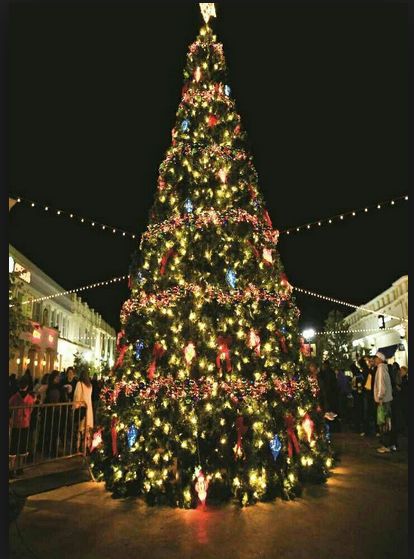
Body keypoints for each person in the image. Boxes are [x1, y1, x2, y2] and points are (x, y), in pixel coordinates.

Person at [9, 377, 36, 478]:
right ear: (27, 386)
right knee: (23, 445)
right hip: (25, 423)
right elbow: (31, 409)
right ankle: (20, 468)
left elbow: (9, 407)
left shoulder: (14, 397)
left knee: (13, 446)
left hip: (16, 424)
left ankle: (11, 469)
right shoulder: (30, 398)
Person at [373, 352, 395, 453]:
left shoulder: (381, 369)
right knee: (388, 422)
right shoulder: (384, 368)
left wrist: (380, 398)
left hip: (383, 401)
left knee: (383, 422)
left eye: (376, 358)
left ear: (380, 359)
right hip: (387, 400)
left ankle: (385, 445)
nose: (374, 360)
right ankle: (390, 444)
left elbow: (381, 385)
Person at [73, 369, 94, 450]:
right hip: (88, 409)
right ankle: (85, 447)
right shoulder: (90, 385)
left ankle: (77, 447)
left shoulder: (79, 384)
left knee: (79, 429)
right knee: (87, 430)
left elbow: (77, 397)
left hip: (81, 408)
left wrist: (74, 407)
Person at [358, 357, 375, 437]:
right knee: (370, 411)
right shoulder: (370, 371)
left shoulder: (365, 371)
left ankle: (366, 430)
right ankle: (373, 430)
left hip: (367, 393)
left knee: (366, 412)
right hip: (370, 393)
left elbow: (366, 383)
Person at [350, 363, 364, 433]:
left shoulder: (358, 376)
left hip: (357, 396)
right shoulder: (359, 375)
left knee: (357, 411)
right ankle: (357, 426)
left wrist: (355, 390)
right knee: (357, 411)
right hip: (358, 395)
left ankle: (358, 427)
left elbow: (358, 387)